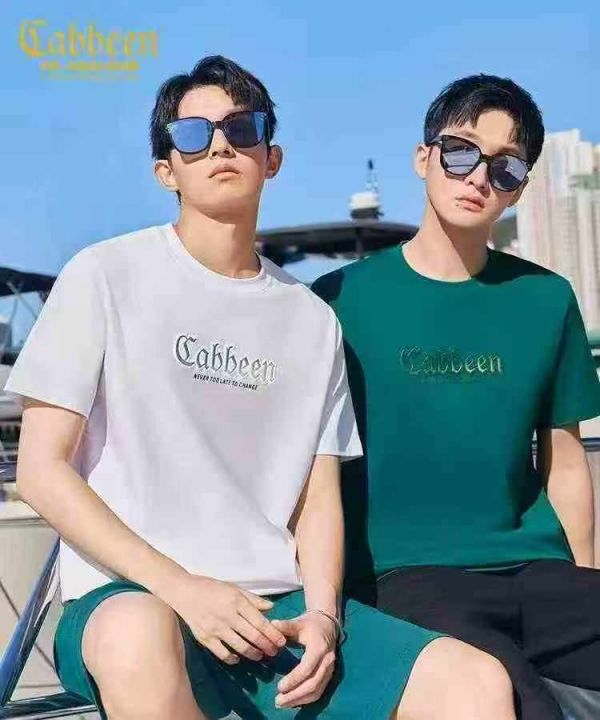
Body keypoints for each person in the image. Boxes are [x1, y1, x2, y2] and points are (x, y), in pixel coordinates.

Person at [5, 57, 508, 720]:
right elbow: (41, 471)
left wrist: (324, 616)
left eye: (242, 129)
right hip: (132, 595)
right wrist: (183, 588)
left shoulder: (312, 320)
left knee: (475, 682)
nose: (220, 145)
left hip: (276, 609)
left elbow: (317, 498)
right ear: (166, 170)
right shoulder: (104, 275)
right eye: (193, 135)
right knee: (135, 637)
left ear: (272, 158)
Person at [311, 73, 600, 720]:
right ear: (424, 158)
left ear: (520, 187)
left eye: (505, 167)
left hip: (537, 572)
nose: (478, 178)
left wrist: (582, 582)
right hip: (403, 578)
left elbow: (565, 461)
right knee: (518, 701)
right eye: (461, 151)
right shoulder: (337, 302)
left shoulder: (546, 299)